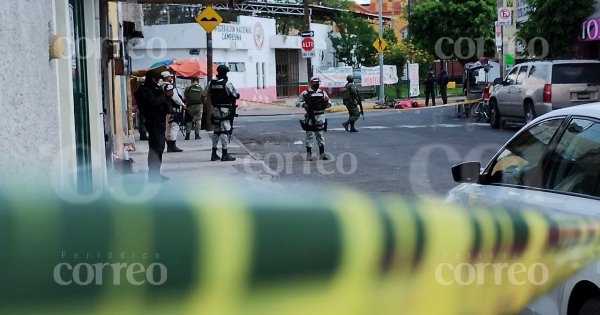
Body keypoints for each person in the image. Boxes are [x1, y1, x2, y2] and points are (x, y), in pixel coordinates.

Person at [133, 71, 171, 183]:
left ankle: (156, 173)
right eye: (157, 79)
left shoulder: (156, 89)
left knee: (160, 147)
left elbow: (163, 103)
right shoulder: (144, 91)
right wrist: (164, 95)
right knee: (155, 148)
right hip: (152, 122)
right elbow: (154, 102)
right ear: (153, 79)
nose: (158, 81)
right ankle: (153, 175)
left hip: (160, 121)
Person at [207, 65, 240, 162]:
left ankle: (214, 154)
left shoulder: (211, 83)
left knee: (216, 131)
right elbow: (235, 94)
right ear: (225, 73)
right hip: (225, 110)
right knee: (225, 131)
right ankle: (224, 154)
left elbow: (205, 94)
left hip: (215, 109)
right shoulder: (227, 83)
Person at [297, 77, 330, 161]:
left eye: (318, 82)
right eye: (315, 82)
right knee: (309, 135)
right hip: (311, 117)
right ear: (311, 83)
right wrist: (304, 104)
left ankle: (322, 154)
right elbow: (297, 103)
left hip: (320, 117)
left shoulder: (323, 93)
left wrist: (326, 101)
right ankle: (309, 155)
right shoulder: (305, 93)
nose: (317, 84)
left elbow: (329, 104)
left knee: (320, 136)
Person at [161, 71, 186, 152]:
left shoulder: (160, 86)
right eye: (169, 76)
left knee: (167, 128)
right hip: (172, 109)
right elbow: (175, 98)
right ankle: (172, 145)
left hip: (163, 110)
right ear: (166, 77)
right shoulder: (169, 86)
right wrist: (182, 104)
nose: (170, 77)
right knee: (175, 127)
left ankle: (169, 145)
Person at [184, 76, 204, 140]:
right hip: (199, 105)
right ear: (198, 81)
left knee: (189, 120)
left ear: (192, 80)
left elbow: (185, 97)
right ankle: (197, 135)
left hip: (190, 105)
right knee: (198, 120)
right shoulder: (200, 87)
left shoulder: (188, 87)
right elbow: (203, 97)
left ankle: (187, 135)